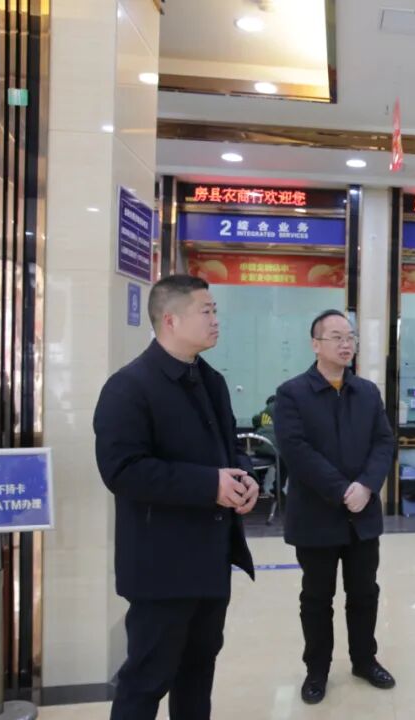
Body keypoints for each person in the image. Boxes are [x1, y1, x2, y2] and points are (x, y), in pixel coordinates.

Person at [93, 275, 260, 720]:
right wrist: (210, 485)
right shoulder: (129, 387)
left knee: (197, 675)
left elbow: (227, 449)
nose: (215, 319)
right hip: (161, 566)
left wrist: (243, 477)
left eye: (215, 310)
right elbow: (122, 470)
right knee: (145, 681)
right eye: (206, 311)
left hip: (210, 560)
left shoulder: (211, 381)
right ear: (170, 320)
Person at [273, 310, 397, 705]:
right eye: (337, 337)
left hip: (362, 517)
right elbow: (296, 451)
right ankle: (317, 670)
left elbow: (384, 442)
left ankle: (364, 660)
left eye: (351, 337)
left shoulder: (367, 392)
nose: (346, 344)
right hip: (317, 515)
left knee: (365, 593)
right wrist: (344, 490)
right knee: (316, 597)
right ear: (315, 344)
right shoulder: (292, 393)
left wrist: (367, 485)